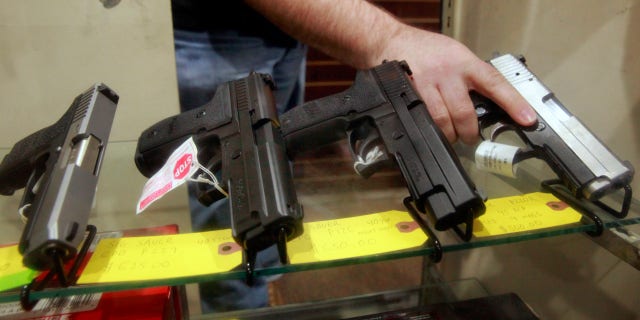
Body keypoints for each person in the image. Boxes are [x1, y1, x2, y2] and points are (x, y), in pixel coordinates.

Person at [171, 0, 537, 313]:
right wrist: (389, 39)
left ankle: (265, 289)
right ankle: (241, 308)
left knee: (270, 169)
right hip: (217, 34)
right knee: (237, 199)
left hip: (284, 32)